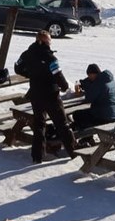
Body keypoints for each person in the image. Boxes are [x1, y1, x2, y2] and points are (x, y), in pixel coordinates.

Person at [16, 29, 74, 164]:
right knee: (62, 123)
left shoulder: (27, 53)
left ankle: (37, 156)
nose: (50, 43)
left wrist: (31, 74)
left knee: (39, 124)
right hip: (51, 94)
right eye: (49, 40)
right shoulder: (50, 58)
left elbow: (17, 67)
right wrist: (65, 86)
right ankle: (73, 151)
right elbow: (58, 75)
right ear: (44, 41)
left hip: (35, 93)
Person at [74, 63, 115, 129]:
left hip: (104, 117)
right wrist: (84, 83)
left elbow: (89, 98)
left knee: (77, 115)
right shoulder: (107, 79)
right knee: (83, 115)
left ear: (93, 74)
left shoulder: (98, 83)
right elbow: (92, 83)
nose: (89, 77)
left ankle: (86, 133)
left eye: (89, 75)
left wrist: (86, 89)